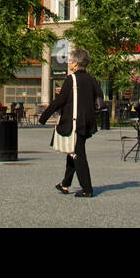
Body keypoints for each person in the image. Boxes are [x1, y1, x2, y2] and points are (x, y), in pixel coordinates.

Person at [39, 47, 103, 198]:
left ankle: (87, 189)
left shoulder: (71, 79)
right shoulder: (92, 79)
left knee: (78, 154)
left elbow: (60, 101)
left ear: (75, 63)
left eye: (70, 59)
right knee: (73, 152)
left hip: (75, 123)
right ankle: (65, 184)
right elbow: (99, 98)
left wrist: (44, 117)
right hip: (87, 122)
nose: (69, 62)